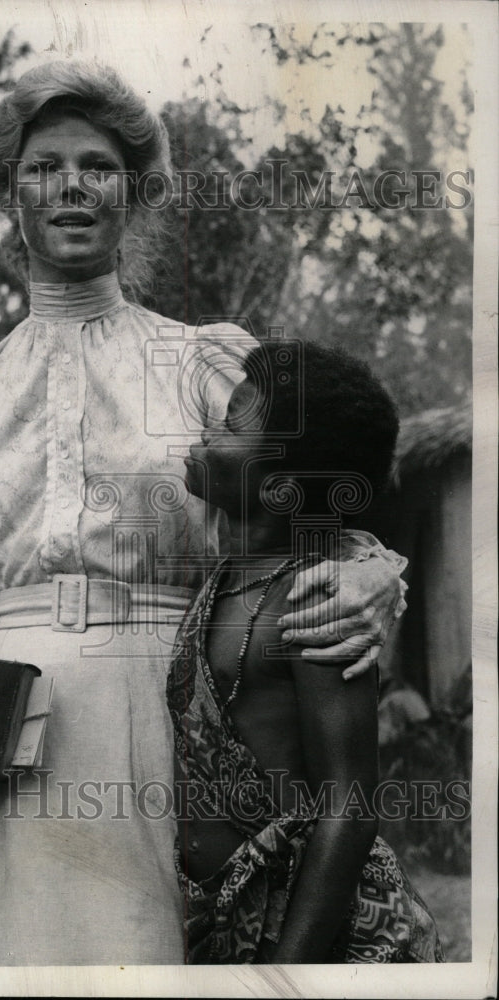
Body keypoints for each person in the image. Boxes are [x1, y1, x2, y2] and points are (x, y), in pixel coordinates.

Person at [0, 60, 408, 966]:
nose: (72, 186)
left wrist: (372, 571)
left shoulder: (204, 365)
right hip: (7, 729)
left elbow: (312, 487)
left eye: (97, 164)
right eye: (44, 167)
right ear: (11, 194)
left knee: (161, 958)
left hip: (170, 710)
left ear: (135, 191)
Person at [170, 339, 443, 963]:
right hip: (228, 917)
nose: (205, 433)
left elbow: (350, 806)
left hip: (312, 935)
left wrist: (287, 974)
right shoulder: (225, 580)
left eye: (228, 427)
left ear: (280, 491)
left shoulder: (317, 600)